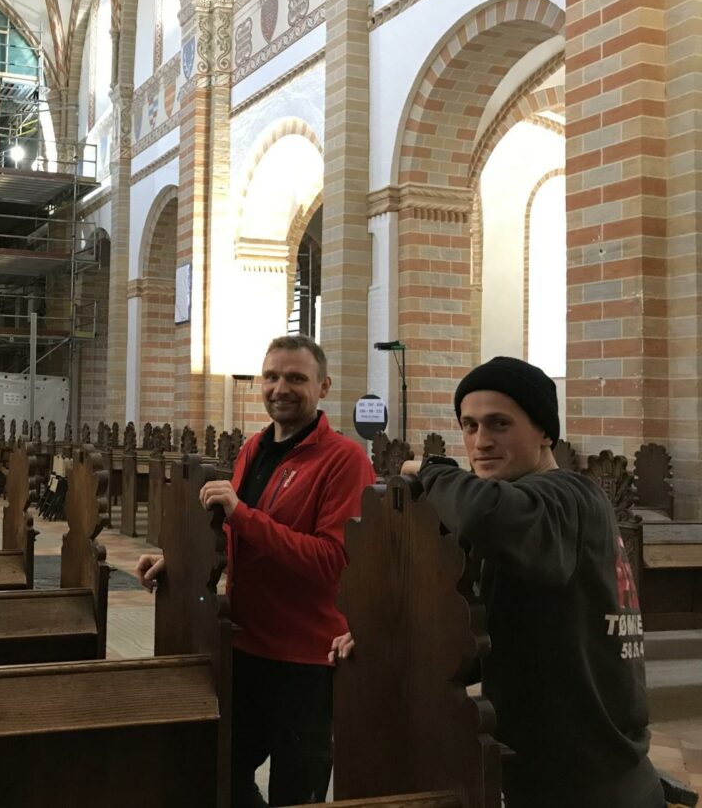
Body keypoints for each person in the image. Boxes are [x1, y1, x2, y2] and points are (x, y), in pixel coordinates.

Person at [330, 356, 664, 808]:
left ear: (545, 432)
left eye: (499, 424)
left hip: (593, 780)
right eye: (469, 426)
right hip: (547, 773)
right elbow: (487, 640)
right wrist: (386, 639)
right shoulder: (527, 523)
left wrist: (431, 470)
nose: (481, 441)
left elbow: (480, 511)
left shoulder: (568, 495)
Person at [137, 335, 375, 807]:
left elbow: (333, 562)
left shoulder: (344, 460)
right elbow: (237, 537)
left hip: (304, 661)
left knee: (295, 792)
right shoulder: (254, 448)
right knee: (221, 773)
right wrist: (183, 564)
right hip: (245, 646)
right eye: (271, 376)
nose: (280, 388)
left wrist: (243, 515)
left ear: (323, 386)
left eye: (295, 378)